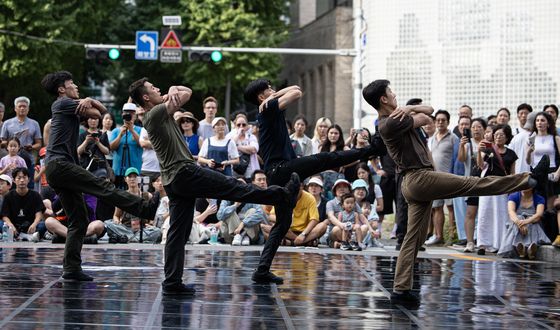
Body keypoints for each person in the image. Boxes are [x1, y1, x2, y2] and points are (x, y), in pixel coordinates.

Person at [362, 79, 549, 306]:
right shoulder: (388, 123)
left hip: (415, 182)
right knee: (473, 184)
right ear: (383, 99)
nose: (394, 94)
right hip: (419, 177)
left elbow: (429, 111)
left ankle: (400, 291)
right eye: (390, 92)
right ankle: (529, 179)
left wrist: (409, 107)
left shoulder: (397, 117)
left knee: (413, 238)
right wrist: (411, 111)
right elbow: (425, 118)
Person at [128, 77, 300, 296]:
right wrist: (172, 91)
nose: (158, 88)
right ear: (145, 97)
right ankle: (282, 195)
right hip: (184, 172)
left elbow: (184, 91)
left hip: (173, 181)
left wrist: (170, 88)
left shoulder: (159, 112)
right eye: (153, 88)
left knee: (177, 232)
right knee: (234, 186)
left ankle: (172, 282)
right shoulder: (155, 113)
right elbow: (186, 93)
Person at [244, 78, 385, 284]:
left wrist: (273, 94)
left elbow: (296, 88)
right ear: (261, 97)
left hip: (282, 172)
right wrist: (274, 97)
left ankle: (262, 270)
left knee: (282, 224)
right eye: (269, 89)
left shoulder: (270, 106)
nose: (274, 91)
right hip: (282, 170)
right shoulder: (267, 109)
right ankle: (373, 149)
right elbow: (296, 94)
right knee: (325, 159)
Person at [41, 71, 161, 282]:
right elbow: (97, 113)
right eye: (72, 84)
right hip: (60, 166)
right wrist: (87, 101)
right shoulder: (62, 103)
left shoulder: (72, 107)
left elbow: (102, 113)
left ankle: (71, 269)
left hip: (58, 169)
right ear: (61, 89)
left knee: (78, 220)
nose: (76, 86)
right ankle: (144, 208)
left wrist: (91, 100)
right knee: (103, 187)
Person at [476, 125, 518, 255]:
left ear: (507, 137)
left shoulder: (511, 154)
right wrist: (478, 151)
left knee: (501, 215)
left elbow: (512, 173)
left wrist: (512, 188)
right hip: (488, 185)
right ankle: (483, 244)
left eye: (502, 135)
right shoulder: (488, 149)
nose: (498, 137)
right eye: (496, 134)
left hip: (502, 187)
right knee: (484, 214)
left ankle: (499, 243)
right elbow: (481, 165)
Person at [0, 96, 42, 189]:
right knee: (9, 187)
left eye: (24, 106)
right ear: (15, 108)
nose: (22, 108)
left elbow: (39, 143)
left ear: (28, 109)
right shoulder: (7, 123)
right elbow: (3, 142)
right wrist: (6, 144)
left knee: (28, 186)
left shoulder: (34, 124)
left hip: (27, 159)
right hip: (9, 161)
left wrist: (32, 146)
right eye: (20, 106)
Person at [498, 187, 550, 259]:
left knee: (533, 223)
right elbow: (511, 212)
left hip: (532, 222)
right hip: (517, 223)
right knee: (518, 218)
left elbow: (538, 215)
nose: (524, 187)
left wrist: (526, 221)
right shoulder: (514, 196)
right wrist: (519, 223)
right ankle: (523, 248)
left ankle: (528, 249)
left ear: (532, 187)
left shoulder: (539, 198)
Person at [1, 167, 46, 241]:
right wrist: (10, 225)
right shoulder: (8, 196)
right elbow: (4, 215)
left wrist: (34, 224)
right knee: (1, 224)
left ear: (28, 179)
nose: (22, 180)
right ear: (14, 180)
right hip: (14, 226)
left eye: (24, 178)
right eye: (19, 178)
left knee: (43, 225)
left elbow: (39, 213)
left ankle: (21, 236)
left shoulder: (35, 195)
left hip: (30, 226)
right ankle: (27, 237)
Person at [109, 103, 143, 188]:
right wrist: (120, 135)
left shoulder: (140, 130)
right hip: (118, 171)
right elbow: (111, 148)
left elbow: (142, 143)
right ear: (122, 115)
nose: (128, 115)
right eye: (126, 113)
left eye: (131, 113)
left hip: (135, 170)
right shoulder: (116, 131)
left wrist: (131, 130)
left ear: (135, 115)